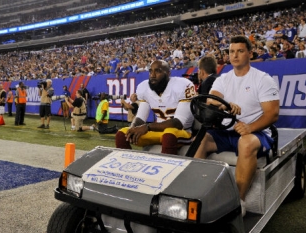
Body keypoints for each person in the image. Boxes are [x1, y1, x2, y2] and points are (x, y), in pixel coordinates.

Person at [194, 36, 279, 216]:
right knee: (201, 139)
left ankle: (238, 201)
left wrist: (250, 128)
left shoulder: (263, 79)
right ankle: (195, 194)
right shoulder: (222, 79)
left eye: (240, 51)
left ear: (250, 53)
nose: (235, 55)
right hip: (227, 131)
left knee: (246, 143)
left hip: (256, 133)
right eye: (232, 51)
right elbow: (211, 100)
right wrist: (225, 104)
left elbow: (272, 113)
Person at [115, 60, 196, 155]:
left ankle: (167, 168)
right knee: (121, 134)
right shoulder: (144, 87)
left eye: (157, 71)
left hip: (181, 132)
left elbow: (178, 123)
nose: (152, 75)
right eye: (150, 71)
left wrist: (147, 127)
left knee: (168, 135)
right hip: (157, 131)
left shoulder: (182, 85)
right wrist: (132, 129)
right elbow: (140, 118)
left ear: (168, 73)